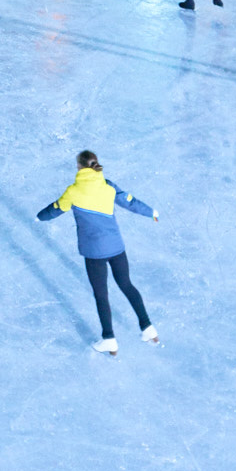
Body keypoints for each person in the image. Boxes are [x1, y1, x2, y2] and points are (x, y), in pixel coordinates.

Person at [37, 150, 160, 353]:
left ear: (79, 167)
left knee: (101, 294)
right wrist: (152, 212)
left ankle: (109, 338)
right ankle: (148, 328)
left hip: (94, 253)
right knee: (127, 285)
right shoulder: (108, 186)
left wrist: (39, 217)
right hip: (116, 248)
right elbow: (130, 202)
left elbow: (56, 209)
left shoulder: (73, 191)